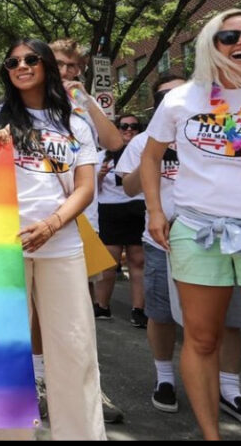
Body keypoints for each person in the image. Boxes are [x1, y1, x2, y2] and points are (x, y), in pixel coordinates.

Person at [141, 8, 241, 440]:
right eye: (229, 37)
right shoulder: (181, 100)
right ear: (210, 44)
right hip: (198, 230)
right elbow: (150, 157)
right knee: (202, 339)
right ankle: (211, 435)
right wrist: (157, 212)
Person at [0, 38, 106, 440]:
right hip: (1, 248)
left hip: (62, 246)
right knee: (5, 352)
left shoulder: (74, 123)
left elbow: (85, 187)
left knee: (74, 350)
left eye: (30, 59)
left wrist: (51, 225)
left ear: (45, 64)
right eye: (12, 61)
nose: (21, 66)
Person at [118, 73, 241, 430]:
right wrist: (155, 154)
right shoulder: (142, 142)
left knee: (228, 318)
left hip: (221, 239)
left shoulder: (222, 129)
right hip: (163, 242)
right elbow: (127, 188)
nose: (182, 99)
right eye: (170, 95)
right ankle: (165, 377)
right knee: (162, 314)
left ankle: (229, 390)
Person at [38, 38, 124, 424]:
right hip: (35, 223)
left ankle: (87, 386)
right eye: (61, 64)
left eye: (74, 66)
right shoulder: (23, 104)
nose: (68, 72)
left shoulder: (81, 112)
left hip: (81, 221)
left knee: (79, 313)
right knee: (37, 312)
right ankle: (41, 381)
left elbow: (114, 141)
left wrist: (86, 100)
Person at [93, 113, 147, 327]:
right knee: (108, 263)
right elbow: (90, 192)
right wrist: (99, 175)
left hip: (137, 207)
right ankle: (102, 305)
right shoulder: (99, 157)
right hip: (110, 210)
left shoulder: (145, 153)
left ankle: (139, 309)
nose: (128, 130)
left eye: (134, 126)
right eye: (123, 126)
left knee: (138, 261)